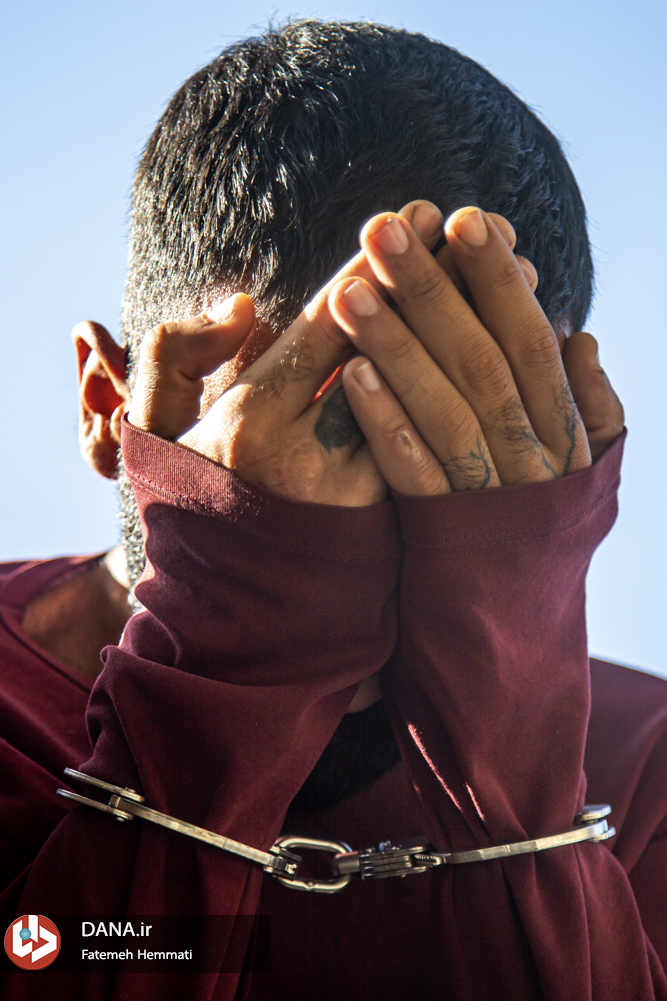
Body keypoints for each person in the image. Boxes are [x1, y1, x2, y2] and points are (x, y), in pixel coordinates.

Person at [1, 18, 666, 1000]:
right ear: (108, 404)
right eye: (308, 442)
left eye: (461, 462)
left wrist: (513, 743)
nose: (373, 522)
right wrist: (229, 657)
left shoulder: (646, 763)